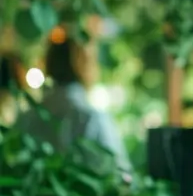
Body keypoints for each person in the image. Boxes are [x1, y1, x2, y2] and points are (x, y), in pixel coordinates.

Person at [15, 28, 130, 173]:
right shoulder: (92, 119)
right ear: (81, 61)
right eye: (93, 58)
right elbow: (122, 176)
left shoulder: (25, 119)